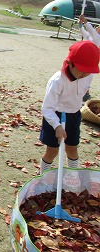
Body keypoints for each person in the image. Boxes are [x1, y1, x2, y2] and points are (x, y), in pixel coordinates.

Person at [39, 40, 100, 174]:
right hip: (54, 116)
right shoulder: (57, 81)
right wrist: (57, 126)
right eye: (83, 70)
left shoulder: (86, 76)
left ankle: (72, 175)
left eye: (89, 71)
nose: (85, 74)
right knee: (53, 151)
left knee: (72, 148)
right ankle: (43, 177)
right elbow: (47, 108)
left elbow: (82, 91)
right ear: (71, 63)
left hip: (73, 116)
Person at [78, 14, 100, 101]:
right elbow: (84, 32)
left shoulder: (98, 38)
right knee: (83, 74)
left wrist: (85, 21)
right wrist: (80, 25)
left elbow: (91, 31)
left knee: (88, 76)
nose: (97, 28)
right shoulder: (91, 37)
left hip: (93, 59)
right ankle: (83, 92)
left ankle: (85, 93)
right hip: (86, 57)